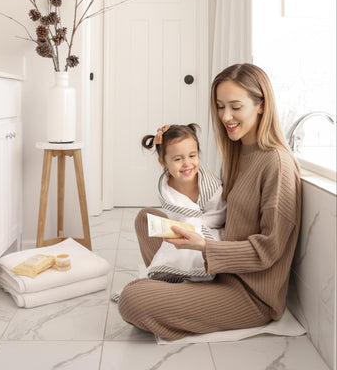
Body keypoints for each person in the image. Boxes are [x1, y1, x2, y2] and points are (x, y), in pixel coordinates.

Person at [118, 63, 301, 341]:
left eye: (235, 106)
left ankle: (170, 293)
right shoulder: (239, 152)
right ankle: (177, 284)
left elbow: (270, 250)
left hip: (249, 293)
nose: (226, 115)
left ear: (261, 105)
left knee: (132, 298)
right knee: (147, 218)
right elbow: (218, 211)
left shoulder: (277, 163)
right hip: (218, 270)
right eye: (219, 106)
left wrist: (205, 246)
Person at [141, 124, 226, 283]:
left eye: (192, 156)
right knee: (145, 219)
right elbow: (175, 215)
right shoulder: (166, 188)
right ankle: (172, 272)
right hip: (182, 233)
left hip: (210, 234)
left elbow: (221, 215)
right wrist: (178, 226)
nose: (187, 163)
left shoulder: (212, 187)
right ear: (163, 162)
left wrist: (192, 224)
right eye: (178, 159)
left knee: (189, 248)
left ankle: (194, 274)